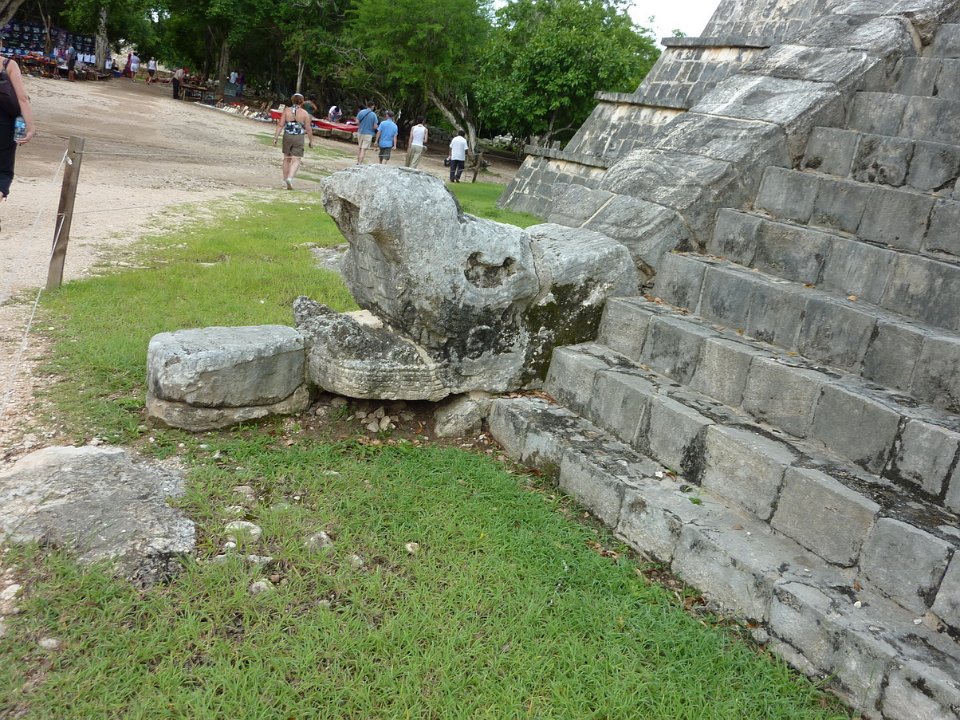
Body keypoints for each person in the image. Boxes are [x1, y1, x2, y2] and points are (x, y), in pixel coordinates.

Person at [0, 47, 36, 207]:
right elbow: (22, 98)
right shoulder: (8, 64)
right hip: (6, 124)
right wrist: (31, 127)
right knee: (3, 171)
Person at [273, 92, 313, 189]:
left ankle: (284, 180)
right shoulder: (305, 113)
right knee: (296, 159)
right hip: (298, 137)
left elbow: (281, 124)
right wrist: (311, 141)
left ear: (292, 100)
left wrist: (275, 138)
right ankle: (290, 178)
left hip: (287, 136)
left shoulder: (287, 110)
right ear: (302, 101)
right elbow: (308, 129)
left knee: (287, 158)